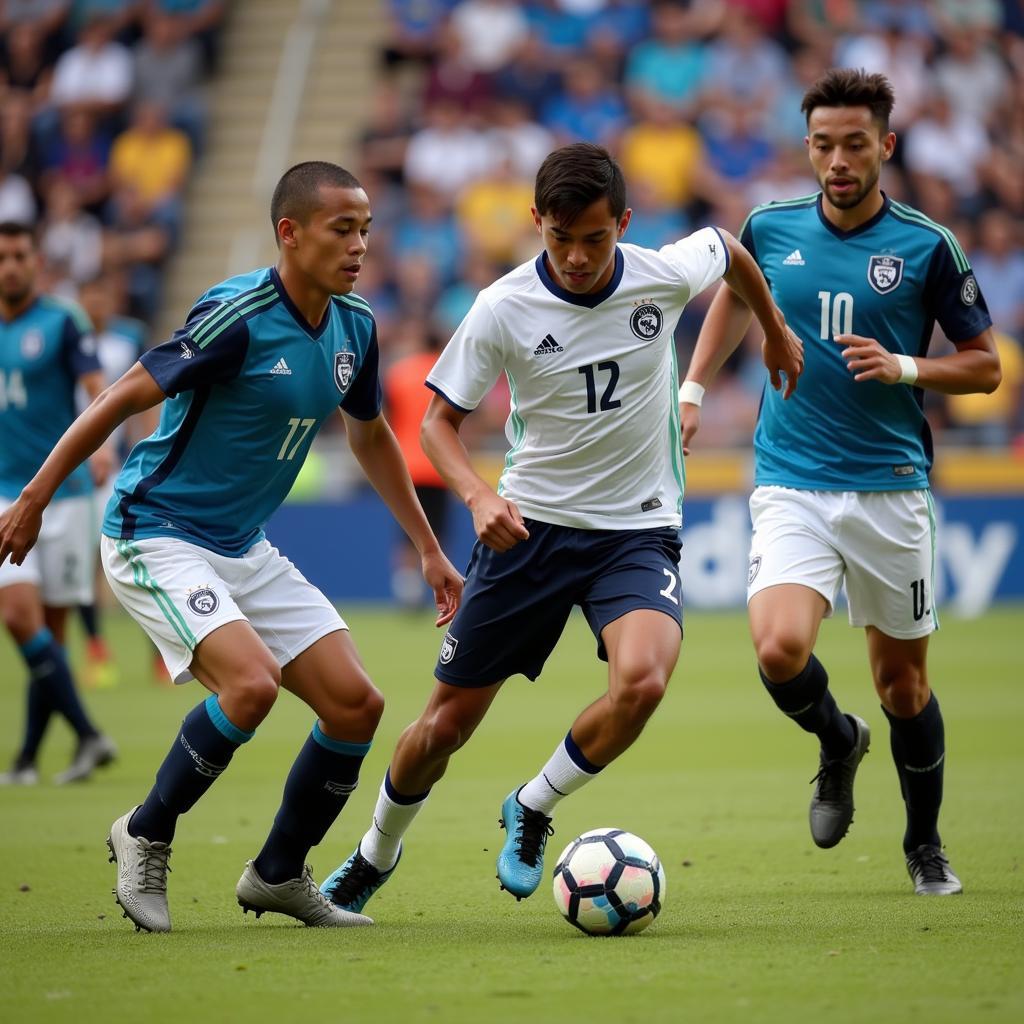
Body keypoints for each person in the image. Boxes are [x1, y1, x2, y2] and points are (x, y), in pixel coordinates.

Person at [318, 142, 804, 913]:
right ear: (536, 221)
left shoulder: (663, 270)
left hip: (636, 531)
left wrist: (773, 331)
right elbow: (440, 426)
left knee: (641, 682)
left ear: (625, 224)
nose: (576, 258)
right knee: (443, 727)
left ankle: (534, 804)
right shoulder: (502, 307)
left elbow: (732, 253)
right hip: (528, 532)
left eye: (595, 239)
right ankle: (374, 852)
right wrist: (478, 495)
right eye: (560, 238)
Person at [0, 161, 464, 932]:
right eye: (341, 229)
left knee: (356, 705)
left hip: (241, 544)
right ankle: (144, 833)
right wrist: (35, 498)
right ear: (290, 233)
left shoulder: (354, 326)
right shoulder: (237, 313)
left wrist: (426, 547)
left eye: (366, 230)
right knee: (248, 686)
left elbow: (373, 434)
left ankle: (279, 875)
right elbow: (121, 397)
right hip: (156, 531)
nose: (359, 246)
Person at [680, 69, 1001, 896]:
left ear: (885, 146)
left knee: (905, 684)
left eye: (855, 144)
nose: (837, 160)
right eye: (823, 144)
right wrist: (691, 387)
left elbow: (986, 366)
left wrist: (904, 365)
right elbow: (735, 297)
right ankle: (834, 739)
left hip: (891, 487)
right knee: (780, 648)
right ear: (809, 148)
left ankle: (924, 843)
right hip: (792, 478)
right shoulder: (769, 225)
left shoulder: (928, 245)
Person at [0, 220, 117, 786]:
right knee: (19, 618)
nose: (11, 267)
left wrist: (102, 449)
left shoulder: (60, 322)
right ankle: (91, 734)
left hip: (64, 496)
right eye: (3, 257)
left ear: (35, 263)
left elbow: (99, 390)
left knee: (51, 634)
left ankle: (25, 761)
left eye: (20, 255)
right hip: (4, 495)